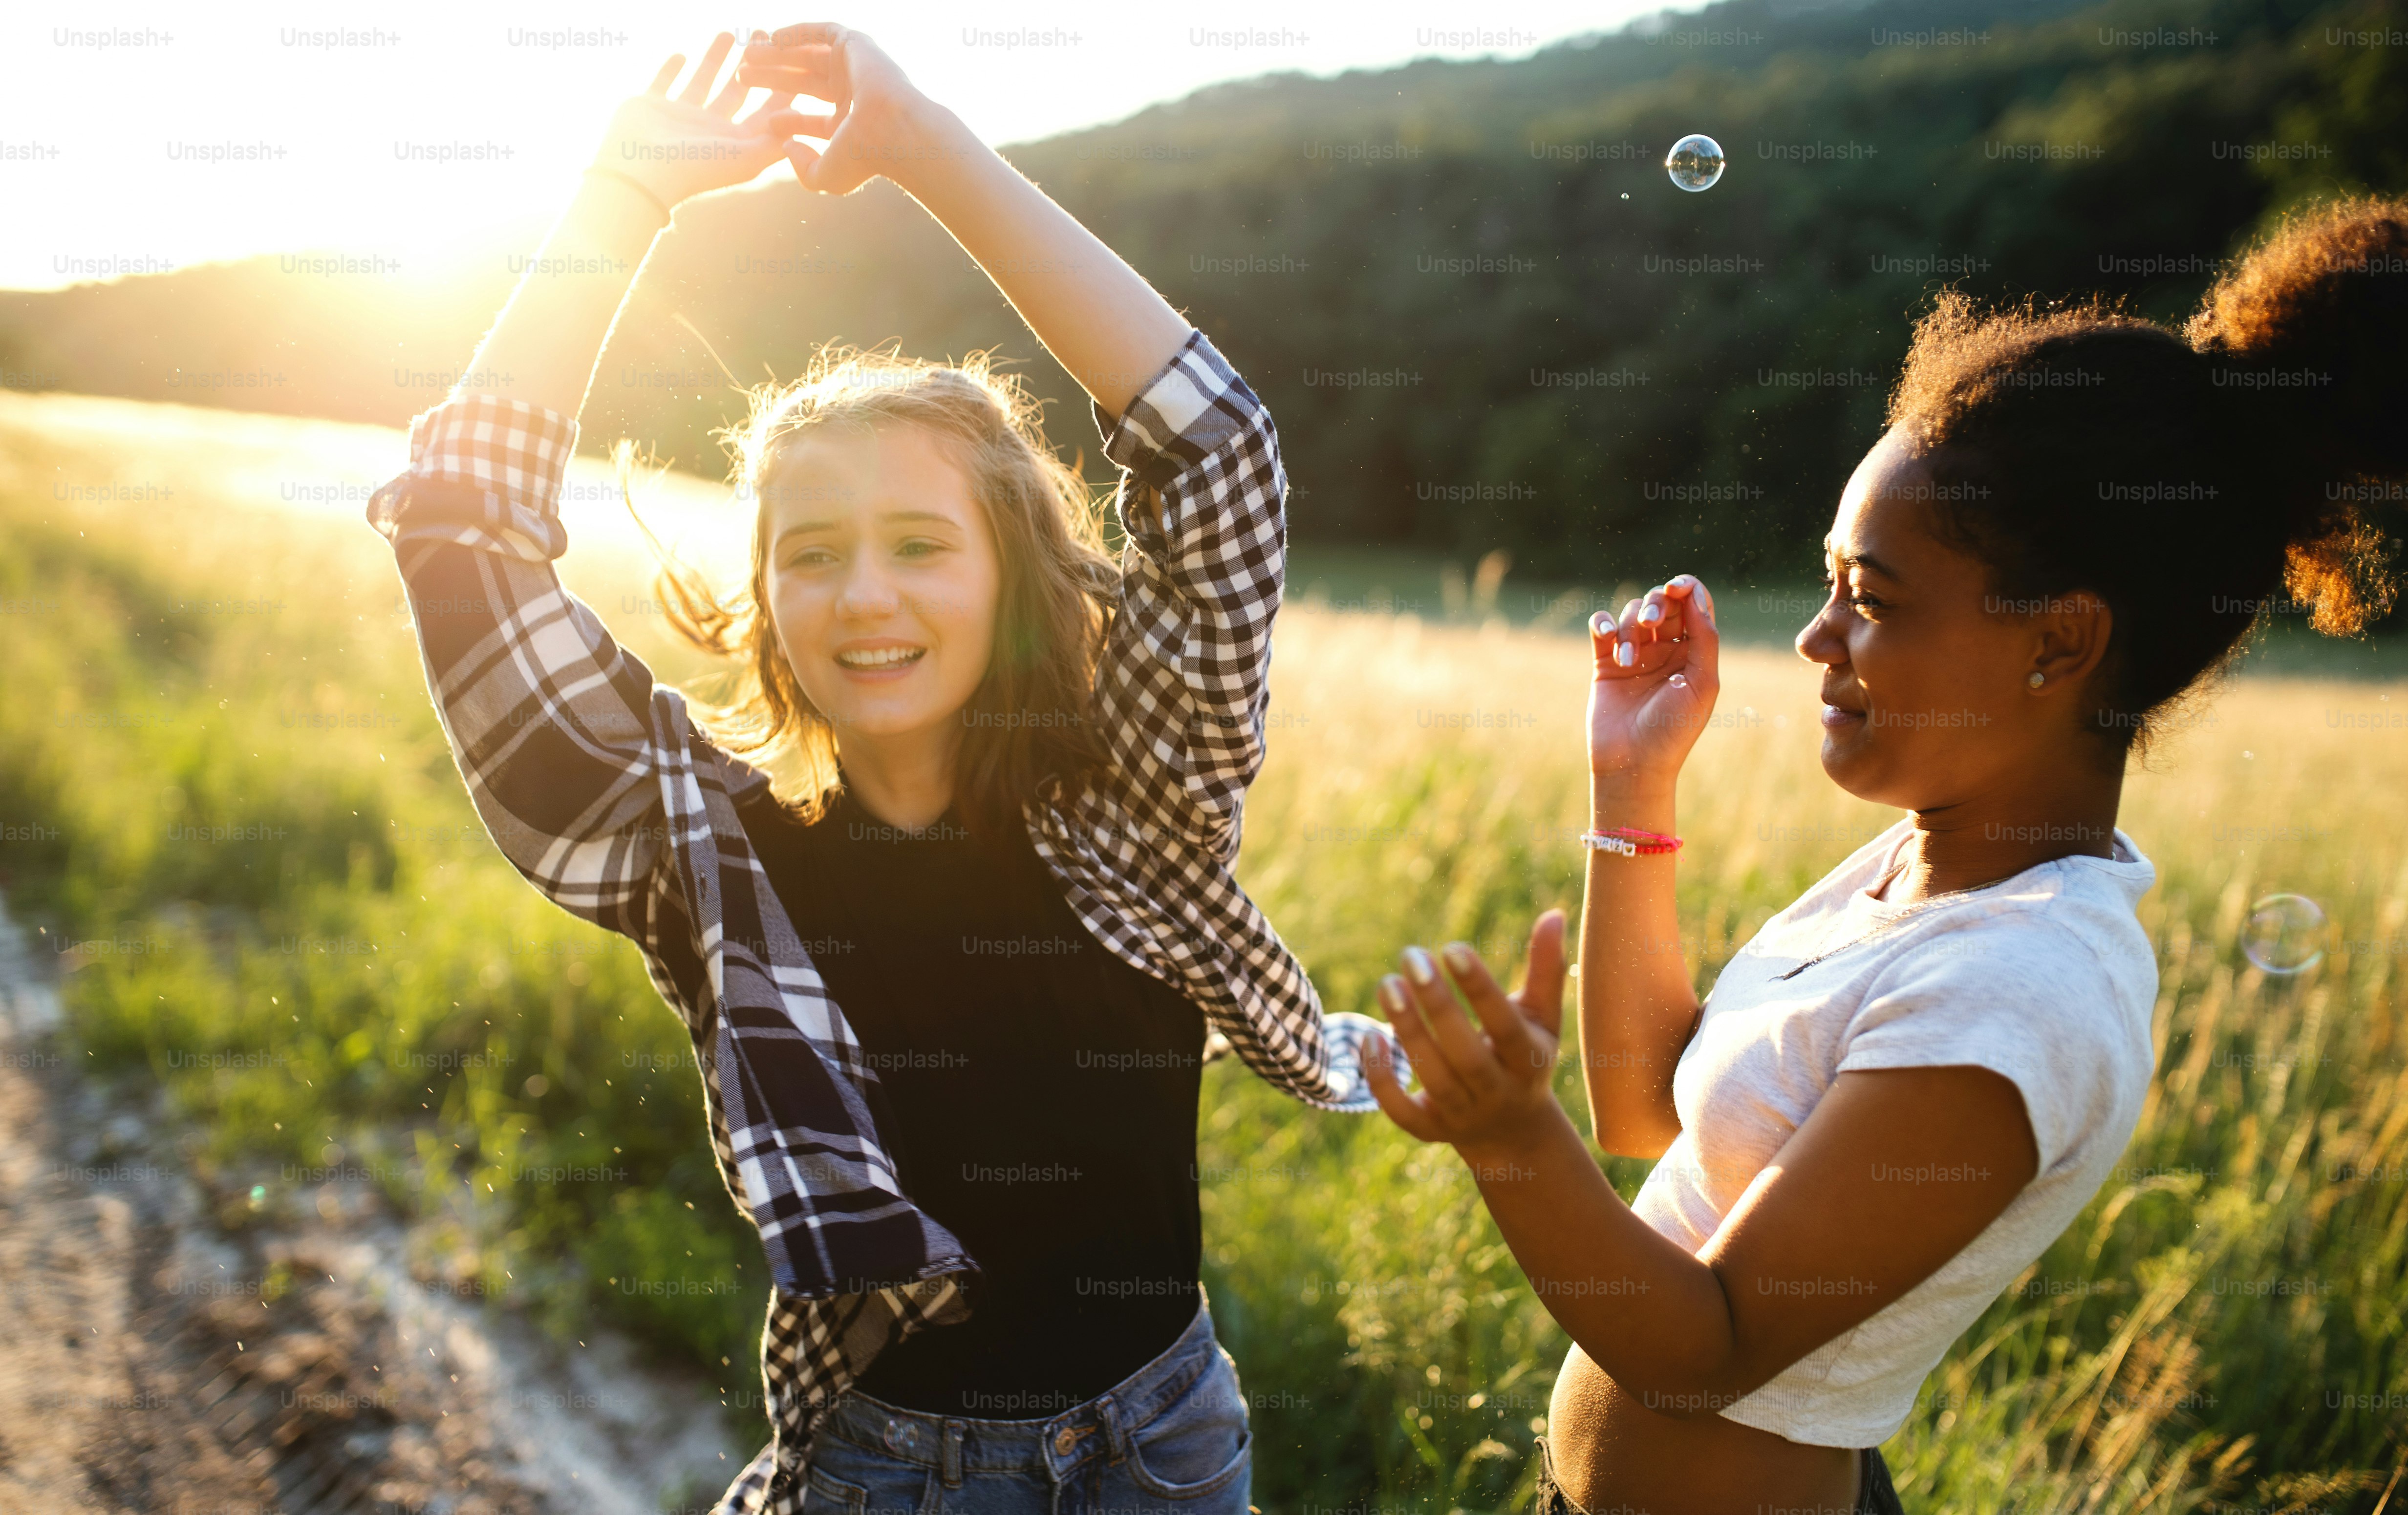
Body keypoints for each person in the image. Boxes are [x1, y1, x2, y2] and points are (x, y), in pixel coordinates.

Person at [364, 26, 1392, 1514]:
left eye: (922, 546)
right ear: (768, 596)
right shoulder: (701, 847)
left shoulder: (1138, 794)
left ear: (1014, 575)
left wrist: (925, 147)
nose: (865, 596)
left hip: (1168, 1447)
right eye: (813, 554)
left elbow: (1216, 450)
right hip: (887, 1476)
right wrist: (618, 202)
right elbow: (460, 528)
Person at [1364, 196, 2408, 1515]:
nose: (1816, 639)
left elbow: (1711, 1348)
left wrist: (1508, 1138)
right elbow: (1648, 1113)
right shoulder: (1920, 875)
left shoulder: (2021, 989)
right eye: (1830, 583)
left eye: (1876, 599)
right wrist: (1632, 778)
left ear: (2059, 642)